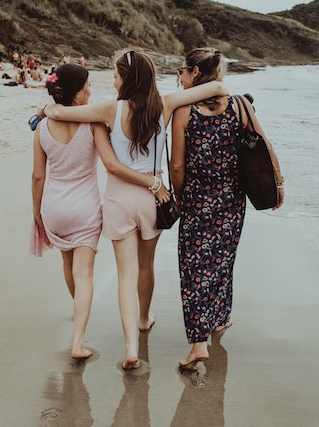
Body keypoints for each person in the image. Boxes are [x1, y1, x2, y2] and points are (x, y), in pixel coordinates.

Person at [39, 50, 229, 369]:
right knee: (146, 266)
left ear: (127, 79)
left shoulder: (110, 109)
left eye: (116, 76)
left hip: (120, 198)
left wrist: (44, 107)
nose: (113, 82)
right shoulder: (165, 104)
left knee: (126, 275)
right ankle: (144, 318)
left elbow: (59, 115)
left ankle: (130, 349)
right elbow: (219, 89)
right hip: (153, 198)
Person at [31, 63, 170, 360]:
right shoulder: (96, 123)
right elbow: (111, 161)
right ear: (77, 93)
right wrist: (153, 181)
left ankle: (80, 314)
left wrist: (36, 211)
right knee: (90, 274)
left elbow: (38, 176)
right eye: (87, 87)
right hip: (88, 207)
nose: (92, 90)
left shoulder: (41, 128)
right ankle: (86, 341)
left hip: (55, 205)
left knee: (70, 268)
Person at [170, 48, 284, 370]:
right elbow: (265, 145)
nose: (180, 77)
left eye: (182, 71)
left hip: (196, 201)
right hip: (232, 201)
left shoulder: (184, 111)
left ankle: (198, 343)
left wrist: (177, 198)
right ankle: (219, 318)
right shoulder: (240, 106)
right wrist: (280, 183)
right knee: (222, 260)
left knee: (194, 269)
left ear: (194, 73)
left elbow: (177, 165)